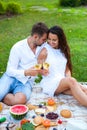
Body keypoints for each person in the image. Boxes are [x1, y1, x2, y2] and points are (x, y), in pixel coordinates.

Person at [0, 22, 48, 106]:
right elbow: (9, 71)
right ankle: (4, 92)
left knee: (20, 100)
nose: (45, 42)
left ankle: (5, 95)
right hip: (11, 77)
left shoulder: (43, 47)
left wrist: (42, 70)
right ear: (35, 37)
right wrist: (25, 72)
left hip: (26, 82)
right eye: (43, 39)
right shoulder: (18, 47)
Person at [37, 25, 87, 107]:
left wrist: (69, 81)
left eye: (54, 40)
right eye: (49, 39)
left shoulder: (62, 50)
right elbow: (39, 68)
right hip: (50, 82)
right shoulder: (45, 51)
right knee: (73, 82)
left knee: (84, 90)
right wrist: (42, 70)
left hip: (62, 81)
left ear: (60, 39)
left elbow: (67, 70)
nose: (51, 42)